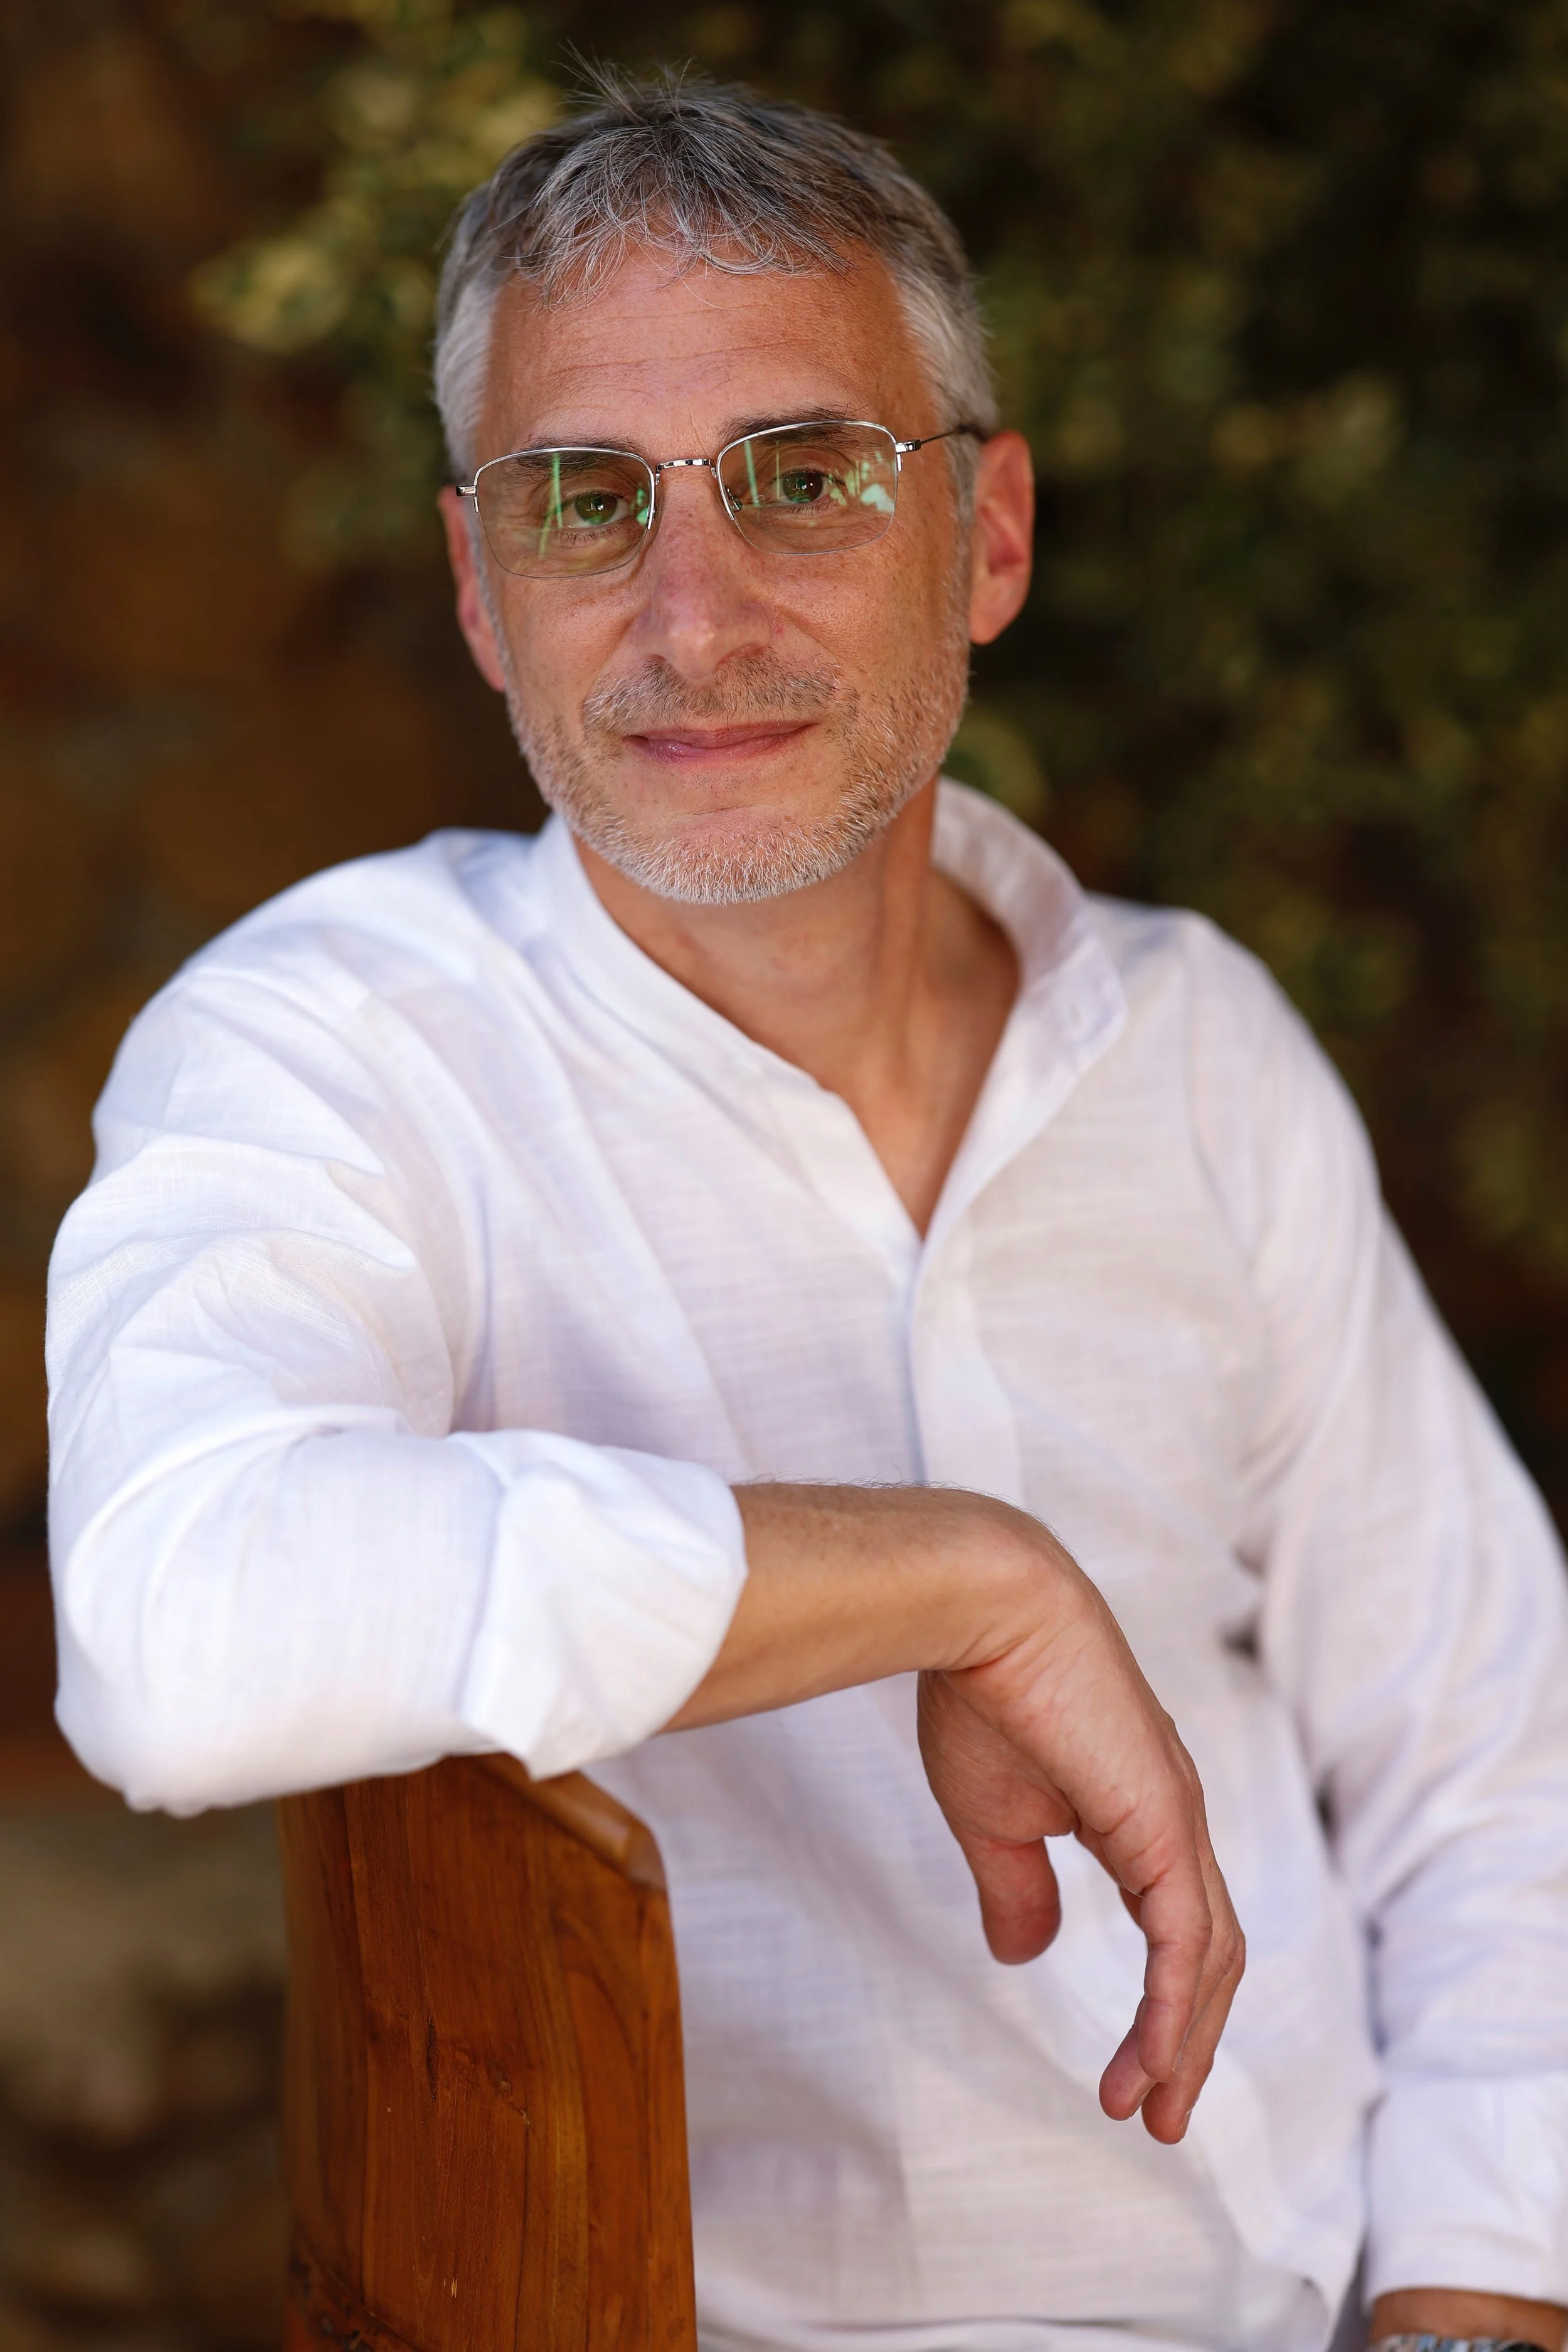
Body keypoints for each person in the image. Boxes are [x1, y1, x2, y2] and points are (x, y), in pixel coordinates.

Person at [44, 72, 1568, 2352]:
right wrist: (955, 1572)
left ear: (990, 537)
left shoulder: (1191, 1039)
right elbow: (176, 1623)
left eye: (805, 476)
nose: (693, 607)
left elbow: (1486, 1763)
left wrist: (1472, 2300)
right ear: (479, 584)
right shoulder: (336, 1048)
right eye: (583, 500)